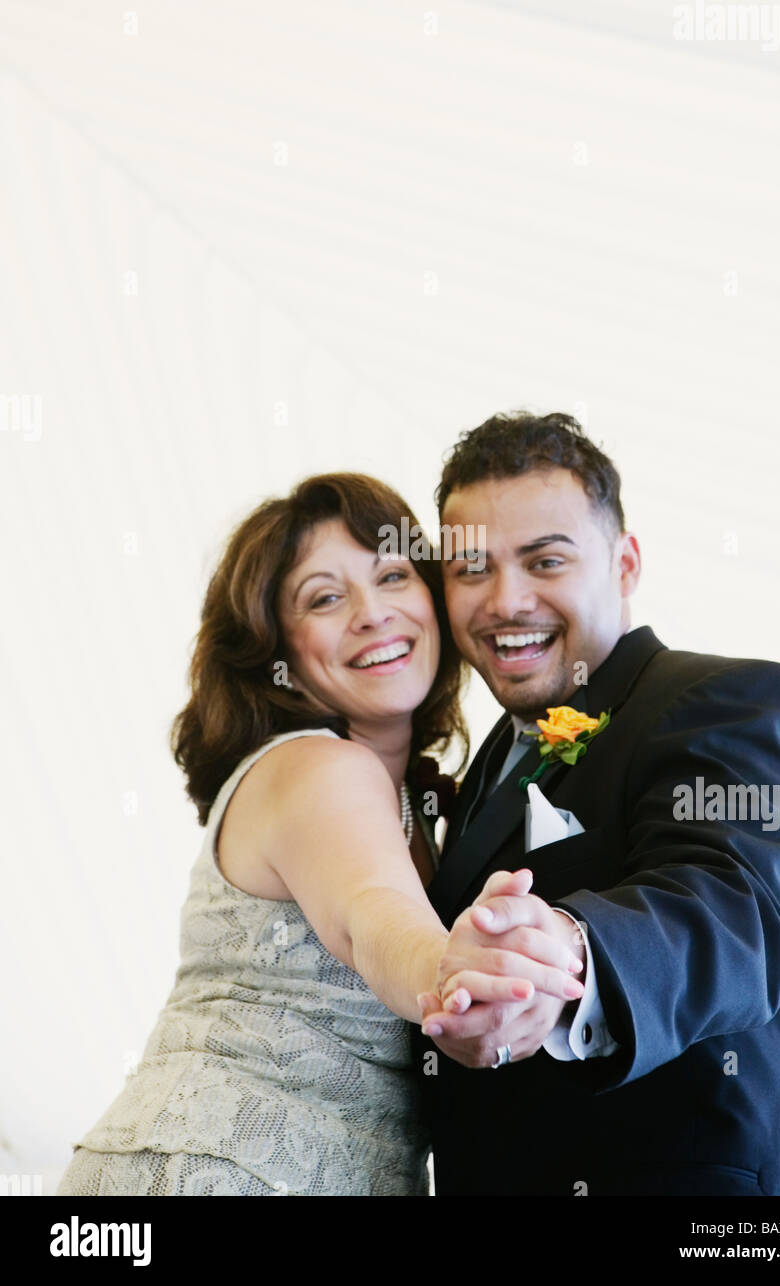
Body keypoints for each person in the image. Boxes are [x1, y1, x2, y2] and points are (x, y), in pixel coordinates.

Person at [57, 472, 581, 1196]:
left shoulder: (415, 801)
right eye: (326, 598)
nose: (372, 614)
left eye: (393, 576)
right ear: (278, 652)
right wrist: (453, 970)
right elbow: (372, 917)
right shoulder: (320, 769)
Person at [416, 410, 780, 1197]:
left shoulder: (727, 699)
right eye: (472, 570)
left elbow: (735, 906)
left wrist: (572, 953)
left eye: (546, 560)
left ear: (625, 563)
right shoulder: (496, 755)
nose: (506, 600)